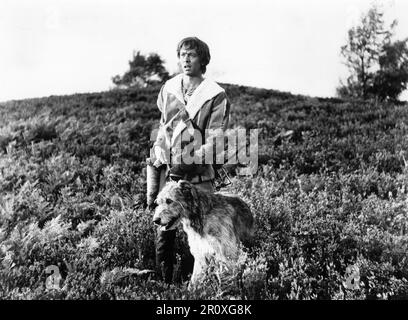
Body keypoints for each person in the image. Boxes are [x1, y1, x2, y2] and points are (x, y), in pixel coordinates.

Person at [149, 36, 231, 283]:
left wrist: (192, 159)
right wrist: (159, 148)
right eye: (182, 54)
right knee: (165, 226)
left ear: (202, 60)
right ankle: (165, 283)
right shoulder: (169, 88)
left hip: (198, 172)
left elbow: (215, 137)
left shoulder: (215, 95)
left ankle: (199, 284)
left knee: (201, 229)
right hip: (170, 169)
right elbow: (163, 126)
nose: (186, 59)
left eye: (192, 55)